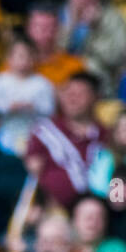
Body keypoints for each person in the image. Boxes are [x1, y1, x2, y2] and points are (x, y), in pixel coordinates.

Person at [25, 70, 108, 209]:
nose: (72, 98)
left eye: (80, 94)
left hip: (97, 212)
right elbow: (33, 171)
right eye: (68, 93)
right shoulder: (44, 130)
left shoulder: (106, 135)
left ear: (96, 97)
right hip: (52, 212)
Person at [0, 35, 56, 157]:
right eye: (20, 56)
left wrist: (34, 107)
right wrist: (8, 107)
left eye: (28, 56)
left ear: (35, 58)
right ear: (9, 58)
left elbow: (50, 109)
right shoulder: (0, 81)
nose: (24, 61)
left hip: (33, 132)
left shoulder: (42, 83)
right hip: (5, 131)